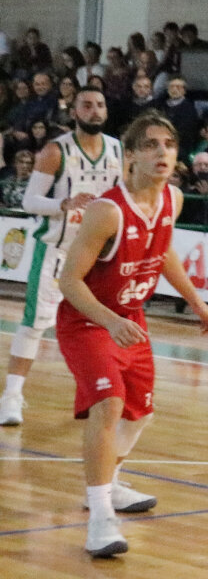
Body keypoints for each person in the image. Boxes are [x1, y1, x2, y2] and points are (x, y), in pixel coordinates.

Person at [59, 111, 208, 560]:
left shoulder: (173, 198)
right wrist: (109, 321)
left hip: (129, 317)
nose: (162, 153)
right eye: (150, 145)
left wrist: (197, 302)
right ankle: (99, 517)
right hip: (89, 320)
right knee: (109, 404)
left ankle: (109, 482)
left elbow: (161, 250)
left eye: (168, 145)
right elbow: (69, 281)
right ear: (129, 156)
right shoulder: (107, 211)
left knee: (140, 413)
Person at [0, 90, 122, 428]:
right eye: (87, 105)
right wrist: (63, 204)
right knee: (36, 323)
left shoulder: (118, 150)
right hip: (58, 249)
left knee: (98, 326)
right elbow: (30, 201)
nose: (95, 111)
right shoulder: (56, 151)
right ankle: (11, 396)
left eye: (100, 105)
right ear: (74, 112)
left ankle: (94, 394)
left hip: (98, 253)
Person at [0, 145, 32, 211]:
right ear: (16, 163)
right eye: (21, 162)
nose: (24, 166)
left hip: (26, 214)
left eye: (28, 163)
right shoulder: (7, 181)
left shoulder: (34, 182)